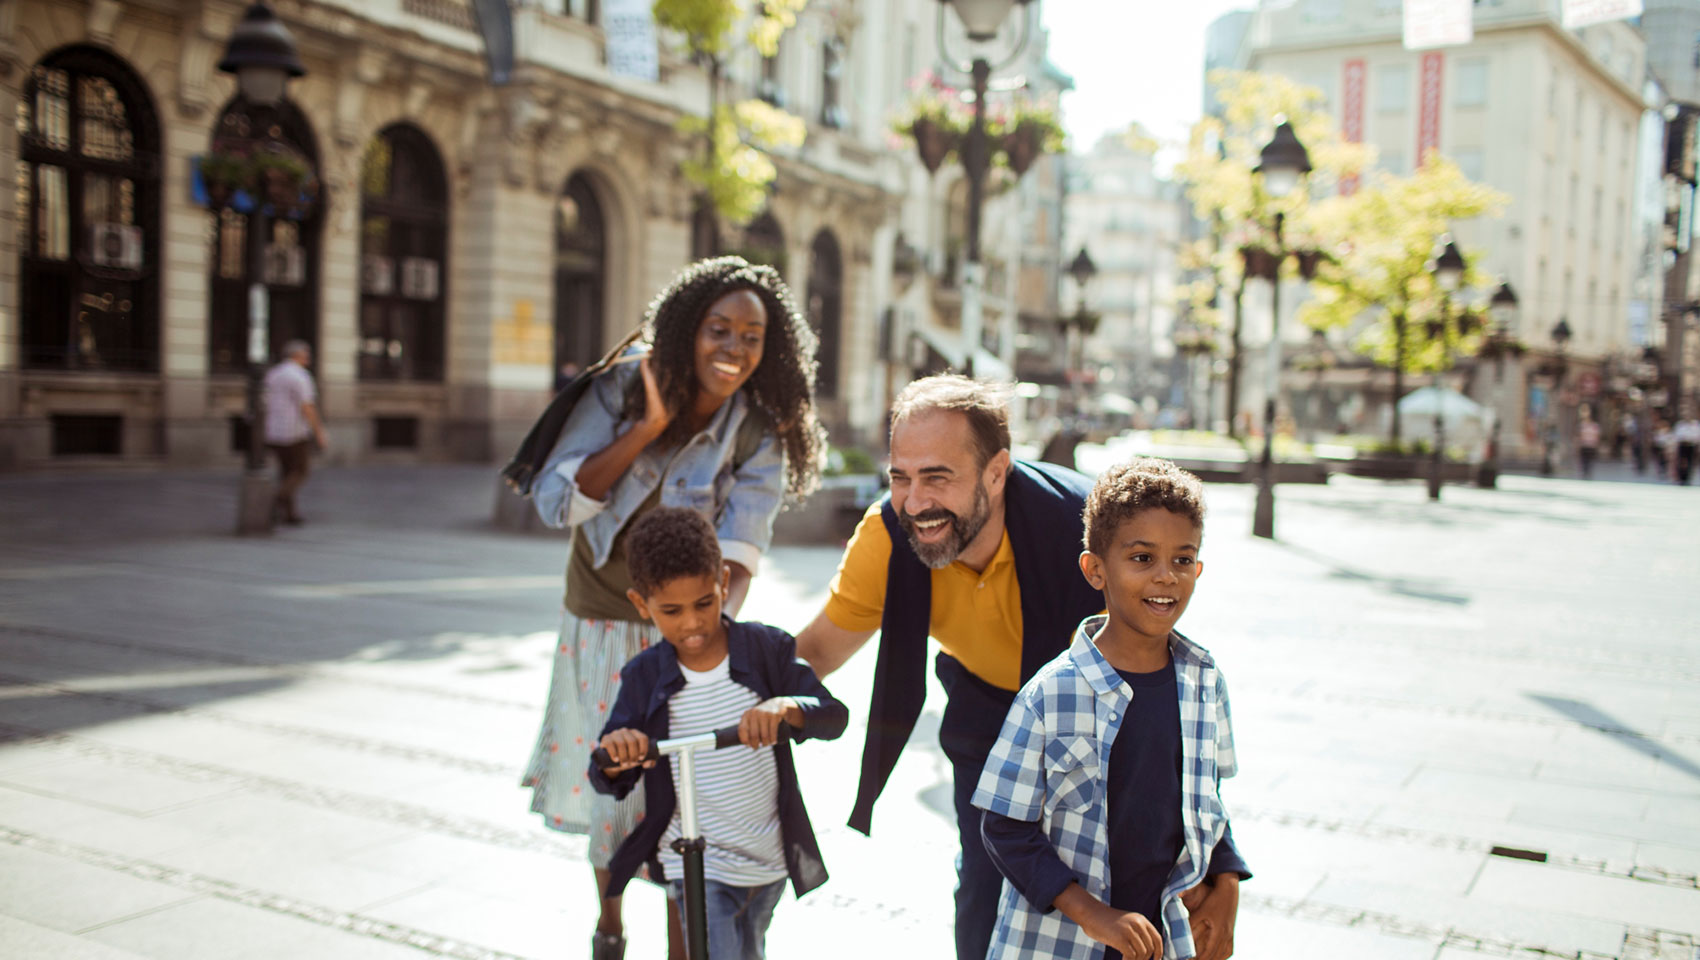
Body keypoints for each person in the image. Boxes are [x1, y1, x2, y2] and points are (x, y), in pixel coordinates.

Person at [521, 257, 826, 960]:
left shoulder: (759, 430)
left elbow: (742, 549)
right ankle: (610, 921)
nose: (734, 348)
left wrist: (703, 645)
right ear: (689, 330)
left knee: (689, 795)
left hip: (690, 636)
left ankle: (683, 947)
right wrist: (646, 425)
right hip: (600, 615)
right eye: (719, 329)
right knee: (616, 786)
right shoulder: (625, 387)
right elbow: (556, 502)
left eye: (751, 336)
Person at [794, 375, 1117, 960]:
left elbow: (1160, 682)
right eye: (901, 478)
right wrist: (721, 684)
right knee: (984, 897)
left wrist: (1214, 861)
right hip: (986, 716)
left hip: (1098, 725)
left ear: (996, 472)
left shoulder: (1087, 531)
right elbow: (815, 651)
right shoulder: (889, 536)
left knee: (1111, 890)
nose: (915, 502)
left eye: (937, 476)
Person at [975, 458, 1250, 960]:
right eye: (1142, 559)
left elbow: (1206, 798)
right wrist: (1092, 913)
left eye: (1182, 560)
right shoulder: (1050, 695)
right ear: (1095, 569)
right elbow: (1004, 827)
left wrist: (1227, 884)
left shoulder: (1205, 682)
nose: (1166, 577)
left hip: (1164, 937)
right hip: (1058, 943)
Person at [591, 507, 848, 960]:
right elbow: (608, 769)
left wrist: (787, 708)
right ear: (640, 604)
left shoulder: (767, 650)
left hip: (767, 857)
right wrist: (618, 752)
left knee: (748, 948)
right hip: (695, 860)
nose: (691, 623)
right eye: (671, 611)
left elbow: (832, 716)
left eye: (704, 603)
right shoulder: (644, 676)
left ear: (724, 584)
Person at [262, 339, 328, 525]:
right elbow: (307, 407)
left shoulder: (273, 374)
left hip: (273, 430)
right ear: (297, 356)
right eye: (306, 356)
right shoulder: (300, 376)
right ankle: (277, 500)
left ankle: (290, 514)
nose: (308, 360)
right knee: (301, 470)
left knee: (286, 472)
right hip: (294, 432)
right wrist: (319, 432)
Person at [1675, 410, 1700, 485]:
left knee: (1690, 462)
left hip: (1691, 445)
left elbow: (1697, 435)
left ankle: (1688, 478)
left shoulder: (1695, 425)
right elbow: (1677, 435)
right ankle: (1681, 477)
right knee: (1682, 462)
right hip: (1682, 445)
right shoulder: (1680, 424)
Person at [1577, 409, 1601, 479]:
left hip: (1588, 445)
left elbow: (1596, 436)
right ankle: (1586, 471)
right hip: (1587, 445)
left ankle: (1586, 471)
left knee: (1587, 459)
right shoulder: (1587, 425)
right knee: (1586, 459)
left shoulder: (1588, 425)